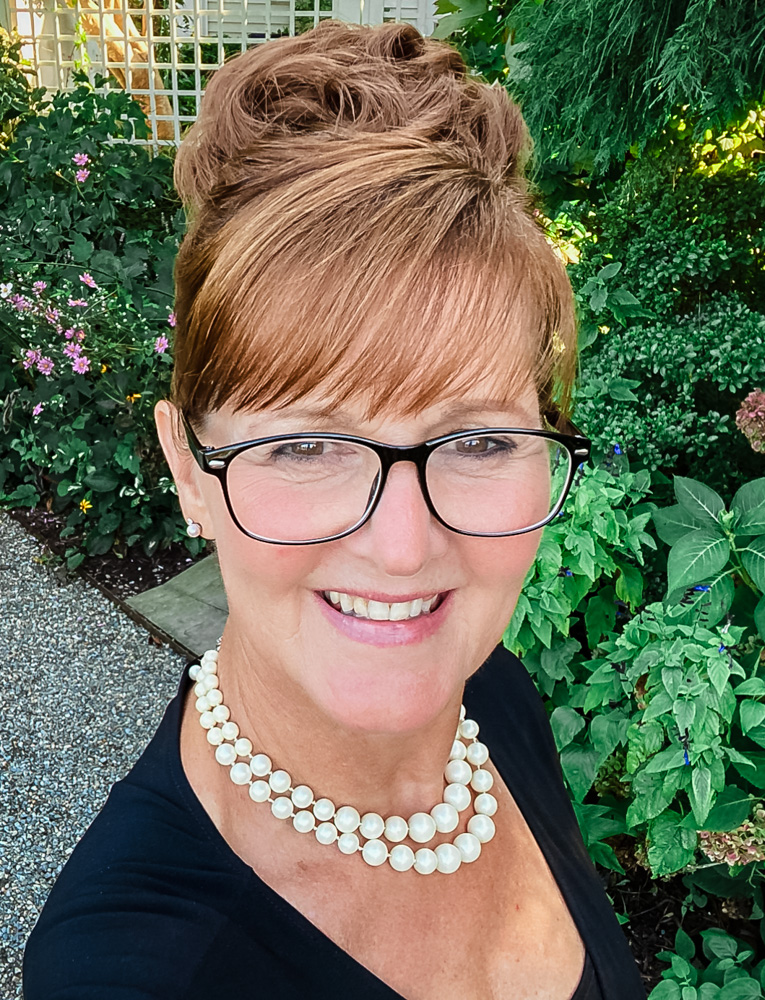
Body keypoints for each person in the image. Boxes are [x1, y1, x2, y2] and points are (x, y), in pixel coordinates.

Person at [23, 19, 646, 999]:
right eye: (305, 444)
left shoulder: (492, 700)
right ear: (189, 467)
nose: (404, 549)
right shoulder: (132, 970)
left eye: (478, 439)